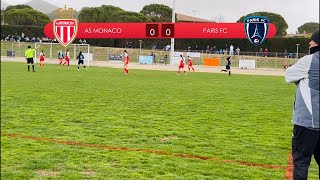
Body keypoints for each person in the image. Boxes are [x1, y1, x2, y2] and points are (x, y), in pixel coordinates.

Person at [285, 30, 319, 180]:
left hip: (307, 124)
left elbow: (288, 75)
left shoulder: (310, 60)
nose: (309, 43)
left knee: (301, 163)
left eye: (312, 40)